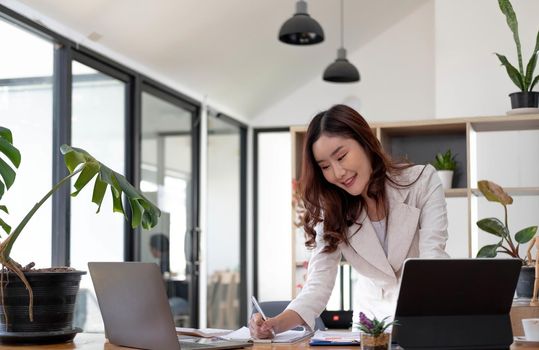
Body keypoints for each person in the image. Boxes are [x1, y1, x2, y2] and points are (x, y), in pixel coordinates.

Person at [249, 104, 449, 338]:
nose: (338, 172)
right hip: (371, 328)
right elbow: (318, 283)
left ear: (365, 142)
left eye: (341, 156)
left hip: (423, 319)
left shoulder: (422, 182)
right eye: (325, 166)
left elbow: (433, 262)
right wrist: (274, 325)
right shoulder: (332, 209)